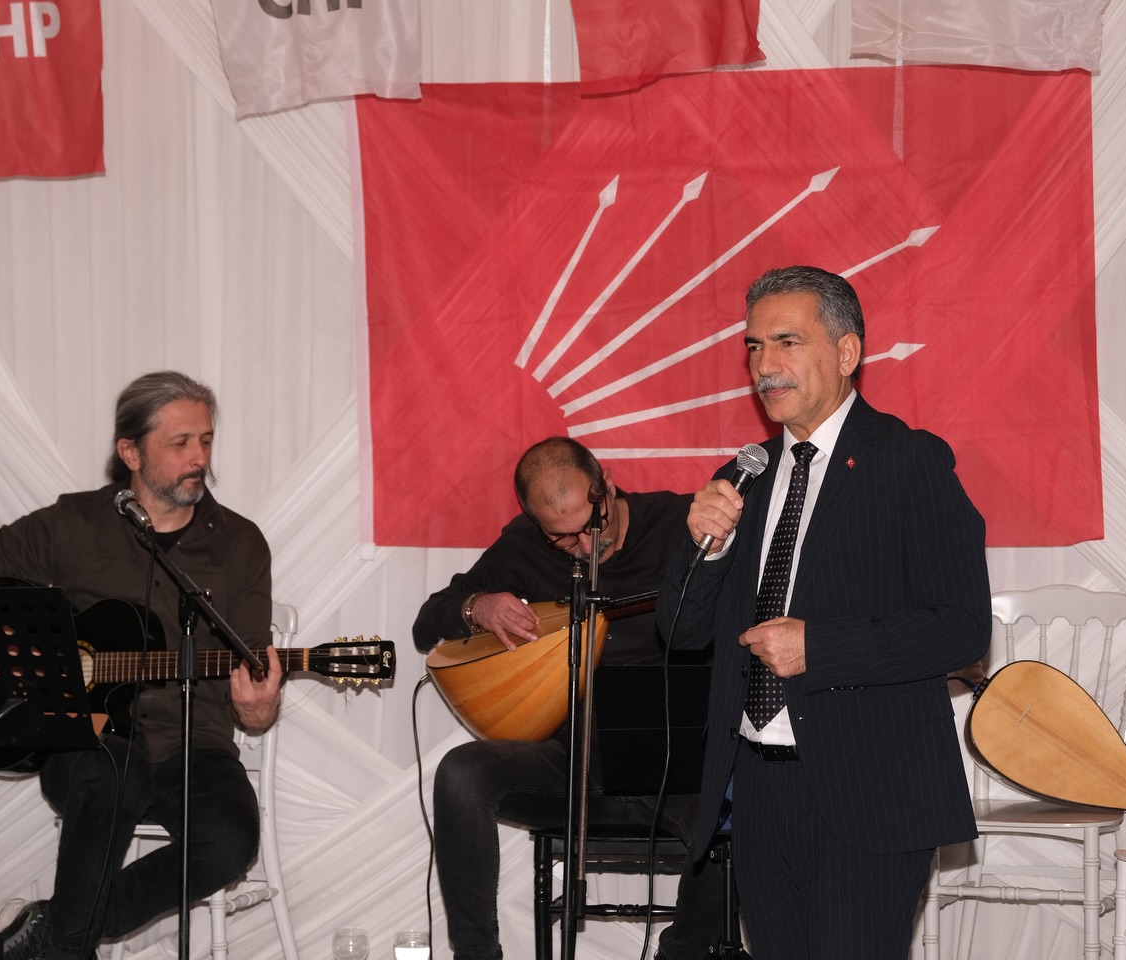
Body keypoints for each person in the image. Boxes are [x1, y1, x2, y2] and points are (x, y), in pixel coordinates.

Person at [658, 266, 991, 960]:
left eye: (787, 342)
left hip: (870, 789)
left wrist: (822, 647)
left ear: (846, 353)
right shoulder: (743, 476)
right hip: (756, 789)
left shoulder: (910, 461)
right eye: (753, 347)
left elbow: (962, 629)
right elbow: (680, 631)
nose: (765, 366)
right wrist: (706, 549)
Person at [0, 371, 283, 960]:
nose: (199, 458)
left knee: (229, 840)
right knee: (114, 772)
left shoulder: (239, 544)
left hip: (195, 747)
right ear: (130, 452)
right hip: (88, 746)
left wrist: (258, 709)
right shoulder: (73, 523)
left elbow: (254, 688)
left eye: (206, 440)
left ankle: (56, 927)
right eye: (180, 443)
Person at [412, 436, 727, 960]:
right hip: (575, 759)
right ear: (535, 523)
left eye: (591, 525)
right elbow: (427, 623)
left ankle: (680, 955)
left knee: (739, 812)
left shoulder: (679, 525)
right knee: (460, 773)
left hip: (675, 762)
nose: (584, 546)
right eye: (561, 538)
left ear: (606, 486)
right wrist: (477, 606)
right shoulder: (523, 547)